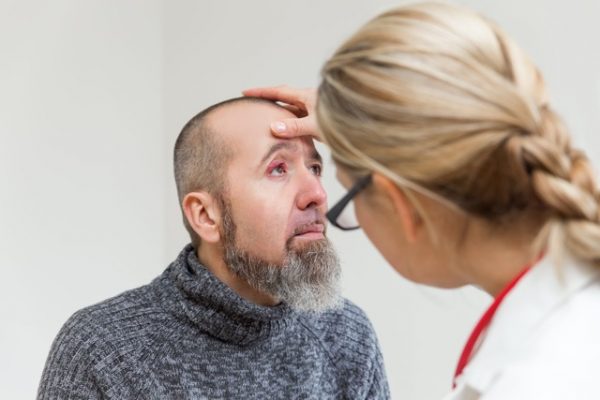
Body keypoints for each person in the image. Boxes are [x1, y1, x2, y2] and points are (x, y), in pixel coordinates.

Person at [244, 2, 600, 399]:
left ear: (402, 205)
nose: (317, 198)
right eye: (279, 170)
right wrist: (367, 125)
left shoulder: (535, 381)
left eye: (346, 191)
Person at [37, 97, 390, 399]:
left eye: (314, 168)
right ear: (206, 215)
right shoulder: (103, 349)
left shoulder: (347, 335)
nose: (317, 194)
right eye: (278, 169)